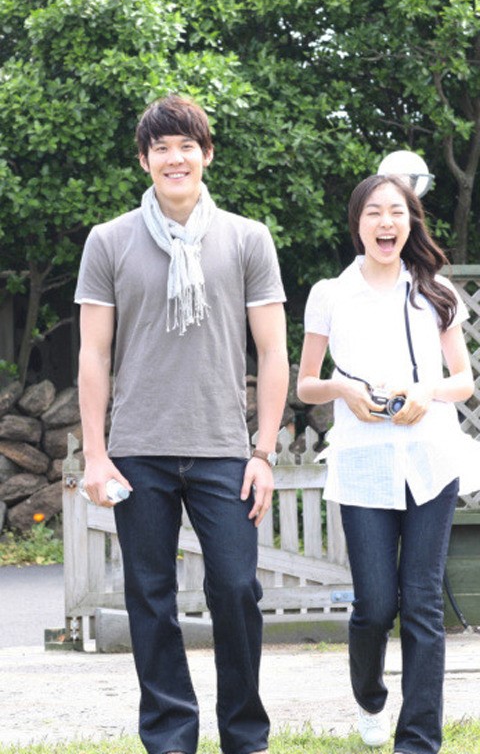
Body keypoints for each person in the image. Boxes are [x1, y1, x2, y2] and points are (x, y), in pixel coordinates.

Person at [75, 94, 289, 754]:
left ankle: (244, 736)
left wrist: (263, 453)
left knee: (237, 589)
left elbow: (273, 352)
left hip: (224, 449)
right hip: (137, 450)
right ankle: (170, 738)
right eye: (161, 148)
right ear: (144, 160)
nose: (175, 158)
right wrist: (95, 455)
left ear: (207, 155)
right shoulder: (109, 240)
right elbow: (93, 354)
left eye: (187, 146)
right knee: (150, 596)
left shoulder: (248, 238)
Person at [297, 173, 476, 754]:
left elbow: (463, 380)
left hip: (429, 461)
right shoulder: (330, 294)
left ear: (410, 222)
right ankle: (370, 699)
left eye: (396, 212)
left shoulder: (434, 292)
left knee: (421, 603)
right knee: (375, 606)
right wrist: (343, 390)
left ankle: (418, 740)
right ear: (358, 223)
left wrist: (427, 391)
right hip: (363, 464)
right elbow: (306, 384)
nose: (386, 223)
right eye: (374, 212)